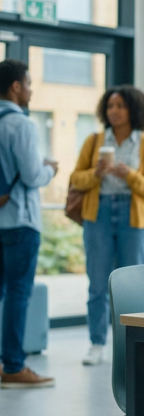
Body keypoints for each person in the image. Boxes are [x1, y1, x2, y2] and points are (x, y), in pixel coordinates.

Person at [70, 85, 144, 366]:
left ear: (134, 110)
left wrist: (130, 175)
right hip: (99, 213)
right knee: (97, 283)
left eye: (120, 105)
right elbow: (76, 179)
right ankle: (96, 344)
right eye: (110, 106)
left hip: (132, 217)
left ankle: (131, 346)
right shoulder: (95, 140)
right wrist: (96, 173)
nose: (114, 111)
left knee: (132, 284)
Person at [0, 59, 57, 388]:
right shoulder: (20, 124)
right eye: (29, 84)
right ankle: (13, 366)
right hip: (20, 220)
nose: (31, 91)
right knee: (18, 294)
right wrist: (50, 168)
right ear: (16, 86)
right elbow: (33, 176)